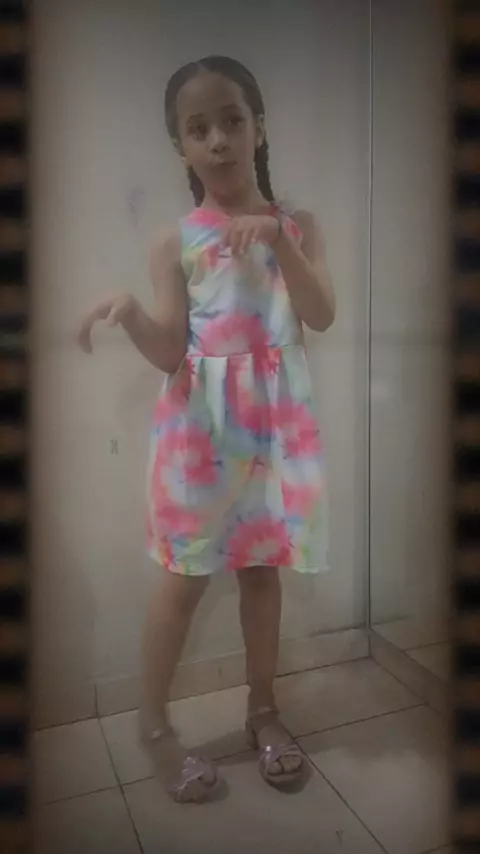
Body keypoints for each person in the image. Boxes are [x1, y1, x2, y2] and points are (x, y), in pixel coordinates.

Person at [78, 55, 335, 804]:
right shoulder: (176, 241)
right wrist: (132, 314)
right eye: (199, 129)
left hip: (271, 434)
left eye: (232, 120)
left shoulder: (299, 226)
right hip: (198, 438)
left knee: (262, 572)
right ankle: (154, 725)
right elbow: (171, 351)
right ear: (180, 147)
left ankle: (264, 709)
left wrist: (280, 240)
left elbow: (320, 315)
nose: (218, 139)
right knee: (184, 580)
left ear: (259, 127)